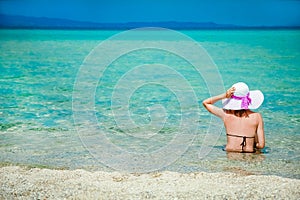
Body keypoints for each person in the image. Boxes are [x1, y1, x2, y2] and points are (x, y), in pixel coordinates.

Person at [202, 82, 265, 153]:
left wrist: (224, 95)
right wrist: (252, 142)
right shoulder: (257, 116)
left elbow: (205, 103)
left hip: (230, 153)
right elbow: (261, 145)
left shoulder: (226, 114)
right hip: (248, 154)